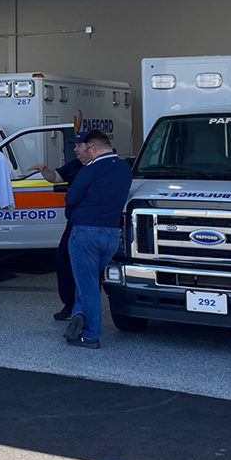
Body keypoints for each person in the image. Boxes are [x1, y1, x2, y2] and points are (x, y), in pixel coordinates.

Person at [56, 129, 131, 349]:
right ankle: (79, 312)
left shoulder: (90, 170)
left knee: (88, 286)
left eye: (85, 148)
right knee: (86, 279)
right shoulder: (125, 169)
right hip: (111, 234)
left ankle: (90, 335)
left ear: (93, 148)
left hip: (86, 233)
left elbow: (70, 198)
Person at [32, 131, 89, 321]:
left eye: (79, 146)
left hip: (91, 223)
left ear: (91, 147)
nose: (75, 149)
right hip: (73, 223)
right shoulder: (74, 165)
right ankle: (69, 304)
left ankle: (86, 307)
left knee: (88, 267)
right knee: (63, 261)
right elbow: (56, 177)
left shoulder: (98, 168)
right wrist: (44, 169)